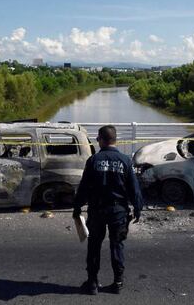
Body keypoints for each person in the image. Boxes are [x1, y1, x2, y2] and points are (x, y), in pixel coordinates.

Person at [73, 125, 143, 295]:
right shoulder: (125, 161)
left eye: (98, 139)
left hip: (97, 211)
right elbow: (134, 189)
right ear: (115, 140)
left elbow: (83, 189)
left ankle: (92, 283)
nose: (97, 142)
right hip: (118, 211)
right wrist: (138, 208)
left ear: (102, 140)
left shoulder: (94, 161)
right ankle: (117, 283)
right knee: (117, 245)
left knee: (94, 245)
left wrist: (77, 208)